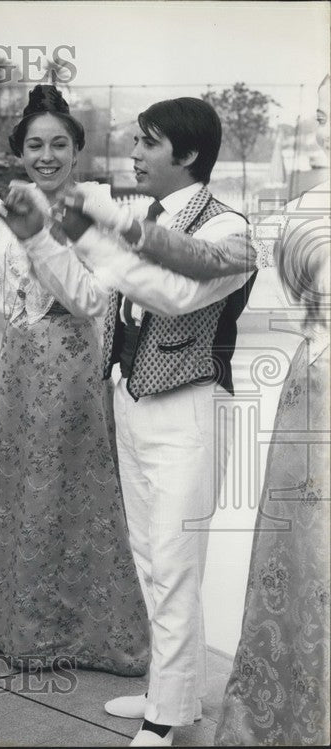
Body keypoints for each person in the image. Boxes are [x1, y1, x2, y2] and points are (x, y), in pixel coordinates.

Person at [17, 97, 256, 747]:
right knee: (150, 559)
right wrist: (42, 237)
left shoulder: (227, 229)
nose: (134, 153)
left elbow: (174, 295)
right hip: (132, 398)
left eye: (148, 142)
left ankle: (167, 716)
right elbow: (97, 297)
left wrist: (99, 230)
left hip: (191, 404)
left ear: (187, 154)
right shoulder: (142, 216)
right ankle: (170, 693)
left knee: (176, 562)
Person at [0, 86, 154, 667]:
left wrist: (40, 239)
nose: (47, 155)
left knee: (65, 491)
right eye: (35, 145)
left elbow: (93, 299)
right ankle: (16, 621)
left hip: (68, 364)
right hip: (17, 361)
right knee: (20, 485)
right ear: (20, 152)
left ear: (77, 150)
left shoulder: (95, 209)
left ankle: (77, 633)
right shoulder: (10, 207)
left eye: (59, 144)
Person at [213, 75, 330, 747]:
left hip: (314, 376)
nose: (318, 129)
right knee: (304, 551)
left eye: (326, 116)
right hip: (312, 383)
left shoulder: (310, 203)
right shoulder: (310, 199)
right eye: (318, 116)